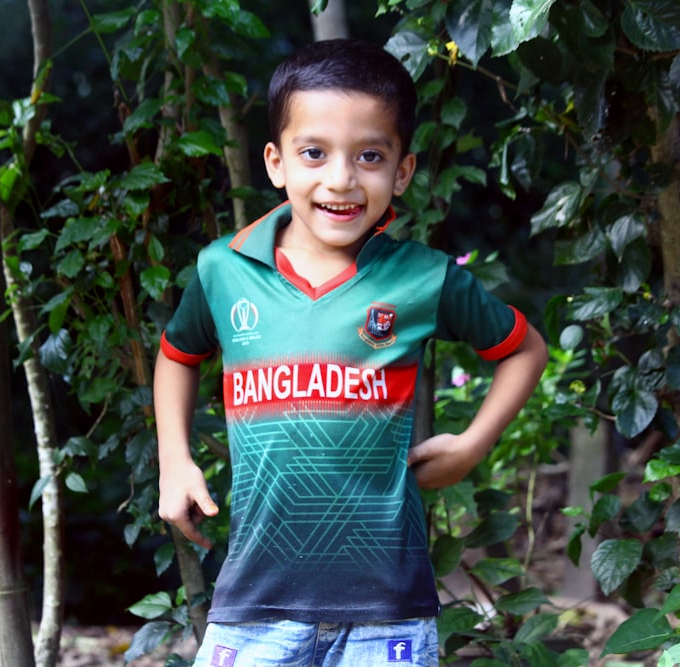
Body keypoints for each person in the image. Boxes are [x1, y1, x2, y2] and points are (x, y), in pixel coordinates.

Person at [153, 38, 549, 667]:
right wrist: (173, 459)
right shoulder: (223, 270)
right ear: (276, 162)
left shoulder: (425, 278)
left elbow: (524, 349)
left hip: (386, 611)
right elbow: (178, 353)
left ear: (403, 170)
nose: (341, 179)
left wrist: (472, 445)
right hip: (255, 604)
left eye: (369, 156)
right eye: (314, 153)